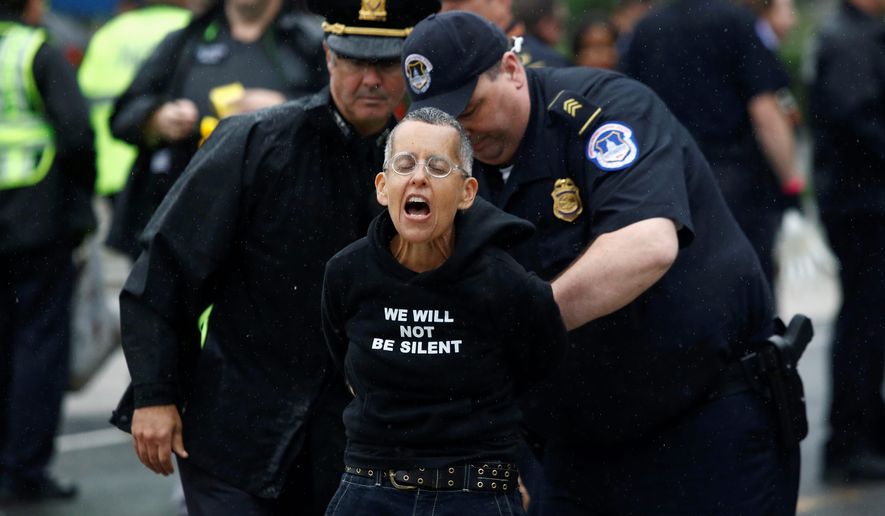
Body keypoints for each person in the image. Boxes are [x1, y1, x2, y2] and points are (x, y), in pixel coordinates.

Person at [402, 11, 803, 514]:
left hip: (703, 424)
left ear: (510, 68)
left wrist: (524, 326)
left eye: (471, 108)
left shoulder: (600, 112)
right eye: (444, 121)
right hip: (574, 447)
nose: (462, 131)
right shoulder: (443, 161)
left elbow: (646, 244)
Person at [109, 1, 440, 515]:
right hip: (236, 426)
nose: (371, 79)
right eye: (356, 61)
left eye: (388, 64)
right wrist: (154, 393)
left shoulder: (431, 164)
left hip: (358, 443)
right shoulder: (255, 141)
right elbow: (167, 269)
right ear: (329, 57)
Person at [321, 107, 567, 515]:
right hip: (370, 488)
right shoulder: (346, 273)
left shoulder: (508, 284)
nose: (418, 177)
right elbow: (343, 363)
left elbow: (539, 364)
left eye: (438, 167)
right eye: (405, 164)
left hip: (475, 492)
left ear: (467, 192)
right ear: (383, 187)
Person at [106, 0, 328, 260]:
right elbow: (123, 115)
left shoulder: (310, 40)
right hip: (189, 221)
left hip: (280, 222)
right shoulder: (188, 39)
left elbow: (347, 115)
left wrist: (287, 108)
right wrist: (156, 118)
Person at [620, 0, 805, 287]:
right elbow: (766, 112)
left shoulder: (646, 30)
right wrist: (791, 187)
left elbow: (629, 111)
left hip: (670, 182)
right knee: (747, 285)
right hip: (736, 180)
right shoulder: (736, 21)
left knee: (687, 287)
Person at [0, 0, 96, 502]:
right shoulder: (36, 52)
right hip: (36, 224)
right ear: (34, 5)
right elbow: (77, 135)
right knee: (38, 348)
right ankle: (23, 471)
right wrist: (82, 211)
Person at [809, 0, 885, 484]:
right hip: (864, 203)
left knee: (867, 321)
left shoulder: (851, 34)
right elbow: (857, 118)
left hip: (859, 200)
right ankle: (851, 442)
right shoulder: (850, 38)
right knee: (865, 322)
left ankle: (862, 434)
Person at [78, 0, 192, 199]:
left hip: (107, 168)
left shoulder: (109, 32)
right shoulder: (186, 27)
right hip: (154, 167)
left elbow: (81, 101)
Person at [441, 0, 570, 68]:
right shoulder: (444, 60)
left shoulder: (545, 63)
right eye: (441, 1)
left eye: (458, 0)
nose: (444, 9)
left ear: (502, 1)